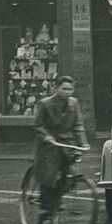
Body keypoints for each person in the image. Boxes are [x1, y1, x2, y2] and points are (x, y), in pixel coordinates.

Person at [33, 76, 89, 212]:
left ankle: (57, 197)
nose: (67, 92)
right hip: (49, 144)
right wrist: (47, 136)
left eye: (70, 89)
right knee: (49, 173)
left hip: (66, 142)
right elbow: (38, 125)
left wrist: (83, 143)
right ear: (56, 88)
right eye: (64, 89)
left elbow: (78, 125)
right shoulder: (45, 103)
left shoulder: (74, 103)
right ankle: (46, 199)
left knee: (68, 173)